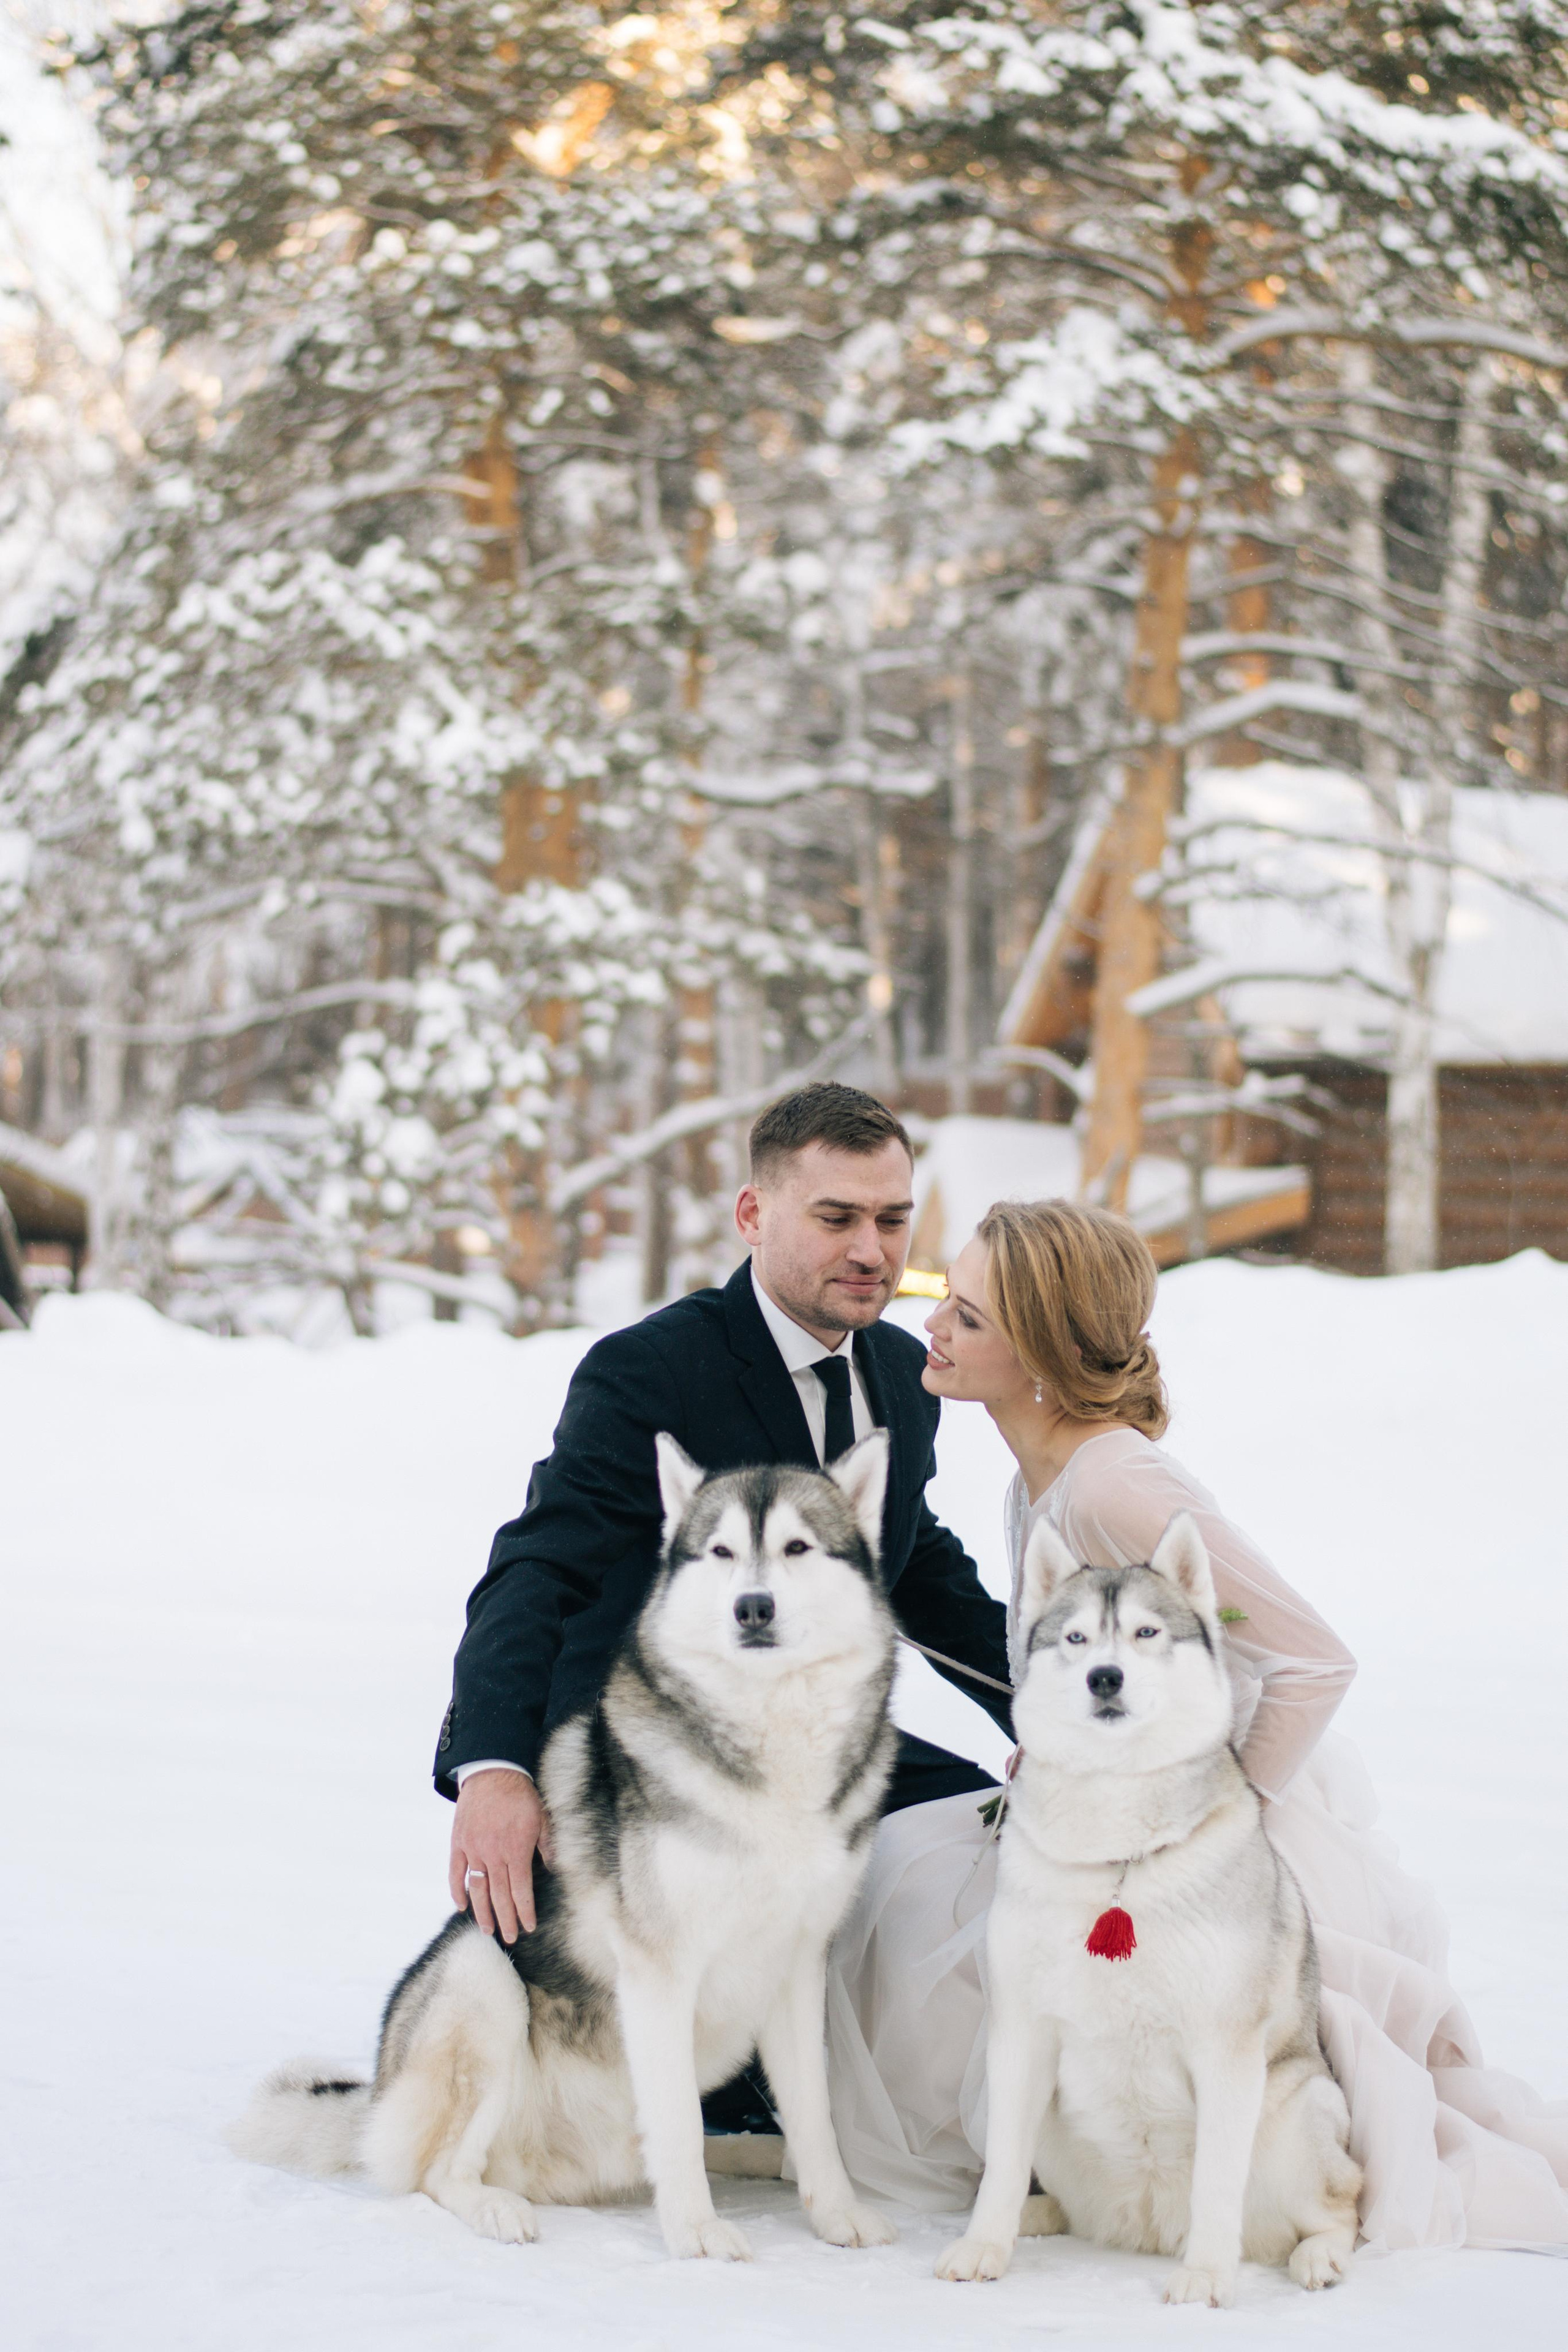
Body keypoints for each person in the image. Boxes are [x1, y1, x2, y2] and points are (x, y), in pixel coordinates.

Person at [823, 1197, 1568, 2253]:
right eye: (948, 1297)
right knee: (906, 1872)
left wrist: (1208, 1829)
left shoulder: (1116, 1484)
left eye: (971, 1319)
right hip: (1098, 1816)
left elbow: (1310, 1660)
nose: (934, 1328)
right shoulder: (1039, 1472)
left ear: (1038, 1351)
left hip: (1213, 1838)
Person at [434, 1082, 1013, 2131]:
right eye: (836, 1218)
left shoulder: (896, 1367)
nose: (872, 1251)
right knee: (634, 2052)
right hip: (656, 1762)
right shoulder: (645, 1372)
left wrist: (1043, 1712)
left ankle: (925, 2097)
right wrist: (497, 1771)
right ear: (754, 1216)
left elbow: (917, 1564)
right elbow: (537, 1569)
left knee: (985, 1836)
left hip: (820, 1744)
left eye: (892, 1219)